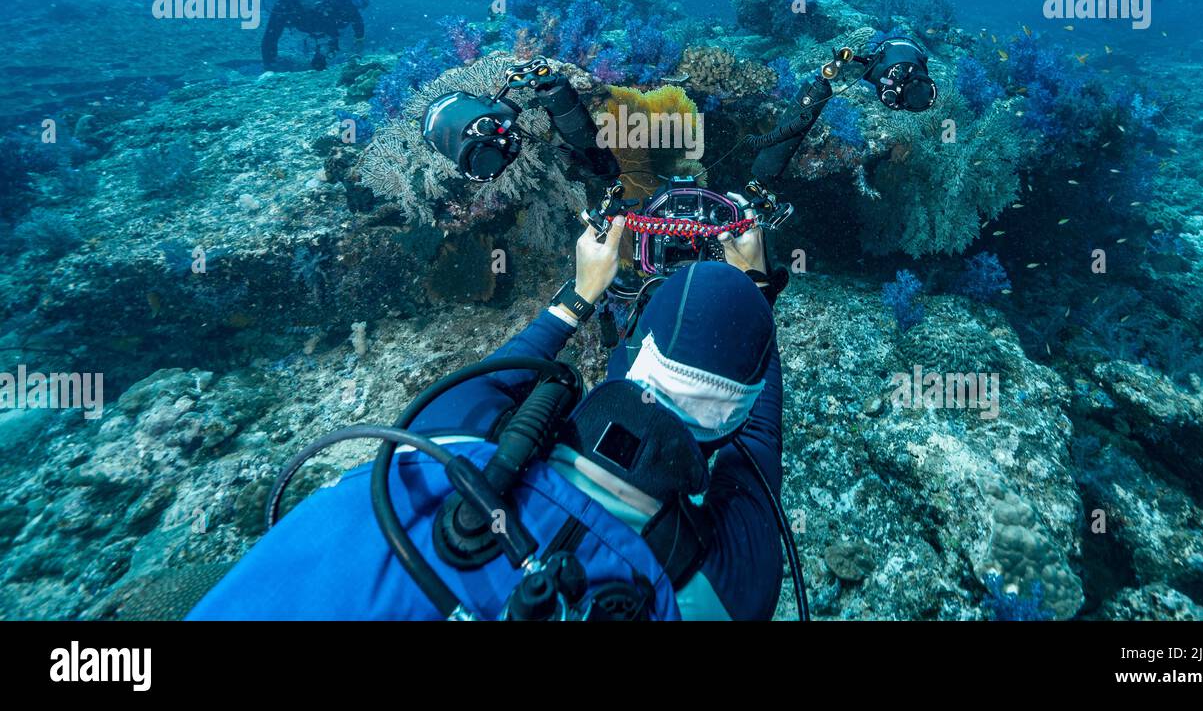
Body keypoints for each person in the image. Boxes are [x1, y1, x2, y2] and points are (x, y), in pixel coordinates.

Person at [188, 200, 790, 622]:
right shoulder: (735, 586)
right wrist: (754, 288)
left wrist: (580, 293)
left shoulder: (446, 434)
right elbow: (758, 445)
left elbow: (511, 366)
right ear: (736, 411)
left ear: (629, 353)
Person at [261, 0, 367, 70]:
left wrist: (359, 40)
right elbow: (270, 38)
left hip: (330, 24)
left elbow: (355, 17)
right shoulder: (285, 5)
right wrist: (270, 66)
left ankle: (326, 49)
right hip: (304, 24)